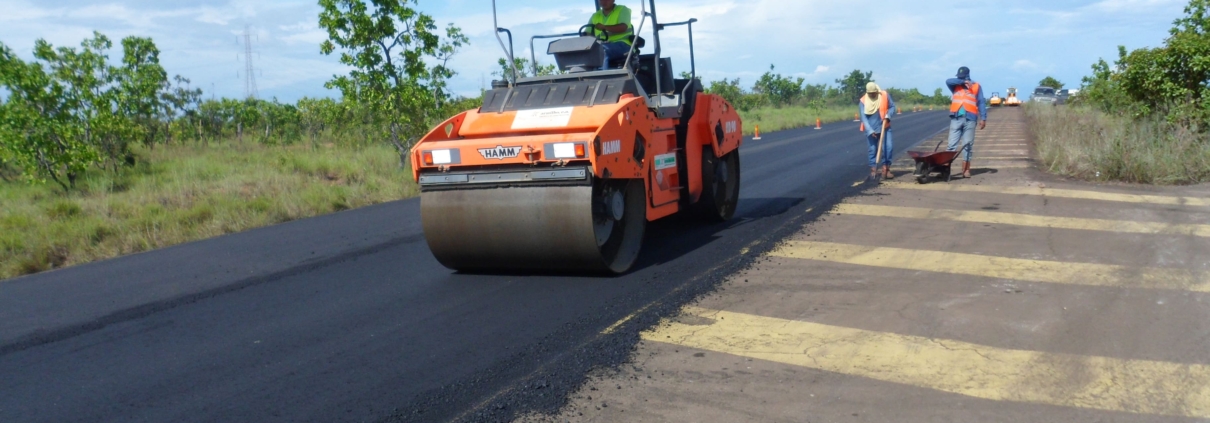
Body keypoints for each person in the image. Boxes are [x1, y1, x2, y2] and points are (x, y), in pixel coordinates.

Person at [946, 66, 987, 178]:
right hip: (956, 118)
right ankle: (945, 170)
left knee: (967, 145)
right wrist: (963, 81)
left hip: (970, 119)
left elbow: (981, 102)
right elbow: (948, 81)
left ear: (967, 75)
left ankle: (966, 170)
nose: (959, 78)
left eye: (962, 76)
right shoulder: (955, 85)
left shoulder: (976, 86)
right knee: (951, 145)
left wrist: (983, 118)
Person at [859, 82, 897, 179]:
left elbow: (892, 107)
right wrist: (870, 131)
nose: (872, 95)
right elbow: (864, 118)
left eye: (874, 93)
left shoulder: (884, 95)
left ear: (877, 90)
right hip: (871, 129)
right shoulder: (863, 101)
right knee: (872, 150)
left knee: (888, 148)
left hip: (885, 126)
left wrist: (888, 115)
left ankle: (886, 169)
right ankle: (873, 170)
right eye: (870, 93)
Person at [589, 0, 633, 69]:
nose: (604, 1)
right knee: (587, 51)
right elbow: (587, 33)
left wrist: (604, 27)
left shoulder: (622, 10)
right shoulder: (595, 16)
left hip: (624, 45)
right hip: (603, 45)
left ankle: (602, 77)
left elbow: (623, 27)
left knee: (601, 50)